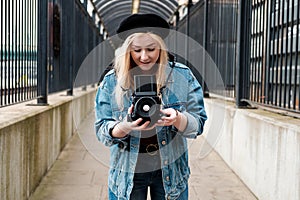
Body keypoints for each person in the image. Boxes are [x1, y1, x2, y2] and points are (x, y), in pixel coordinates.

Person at [95, 13, 207, 200]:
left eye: (151, 49)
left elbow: (199, 124)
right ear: (128, 50)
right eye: (137, 50)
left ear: (161, 48)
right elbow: (101, 129)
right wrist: (121, 128)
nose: (144, 56)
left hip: (170, 171)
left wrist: (178, 119)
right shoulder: (112, 81)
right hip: (127, 172)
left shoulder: (182, 76)